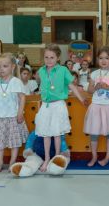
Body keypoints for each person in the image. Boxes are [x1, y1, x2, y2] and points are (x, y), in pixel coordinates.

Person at [36, 44, 88, 172]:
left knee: (57, 133)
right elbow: (42, 86)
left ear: (58, 58)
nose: (49, 60)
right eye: (46, 57)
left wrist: (81, 98)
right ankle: (47, 158)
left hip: (58, 105)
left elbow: (72, 86)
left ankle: (56, 156)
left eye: (52, 57)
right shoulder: (41, 71)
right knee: (45, 133)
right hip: (45, 106)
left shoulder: (63, 70)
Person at [0, 53, 28, 173]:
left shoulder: (16, 82)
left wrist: (20, 113)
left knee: (14, 142)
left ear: (12, 67)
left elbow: (22, 98)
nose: (1, 69)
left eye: (5, 66)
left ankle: (12, 163)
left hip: (13, 117)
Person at [84, 46, 109, 167]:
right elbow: (90, 90)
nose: (103, 60)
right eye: (101, 58)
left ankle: (107, 157)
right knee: (94, 133)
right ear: (97, 59)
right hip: (96, 106)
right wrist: (96, 87)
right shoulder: (94, 73)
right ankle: (94, 156)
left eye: (106, 58)